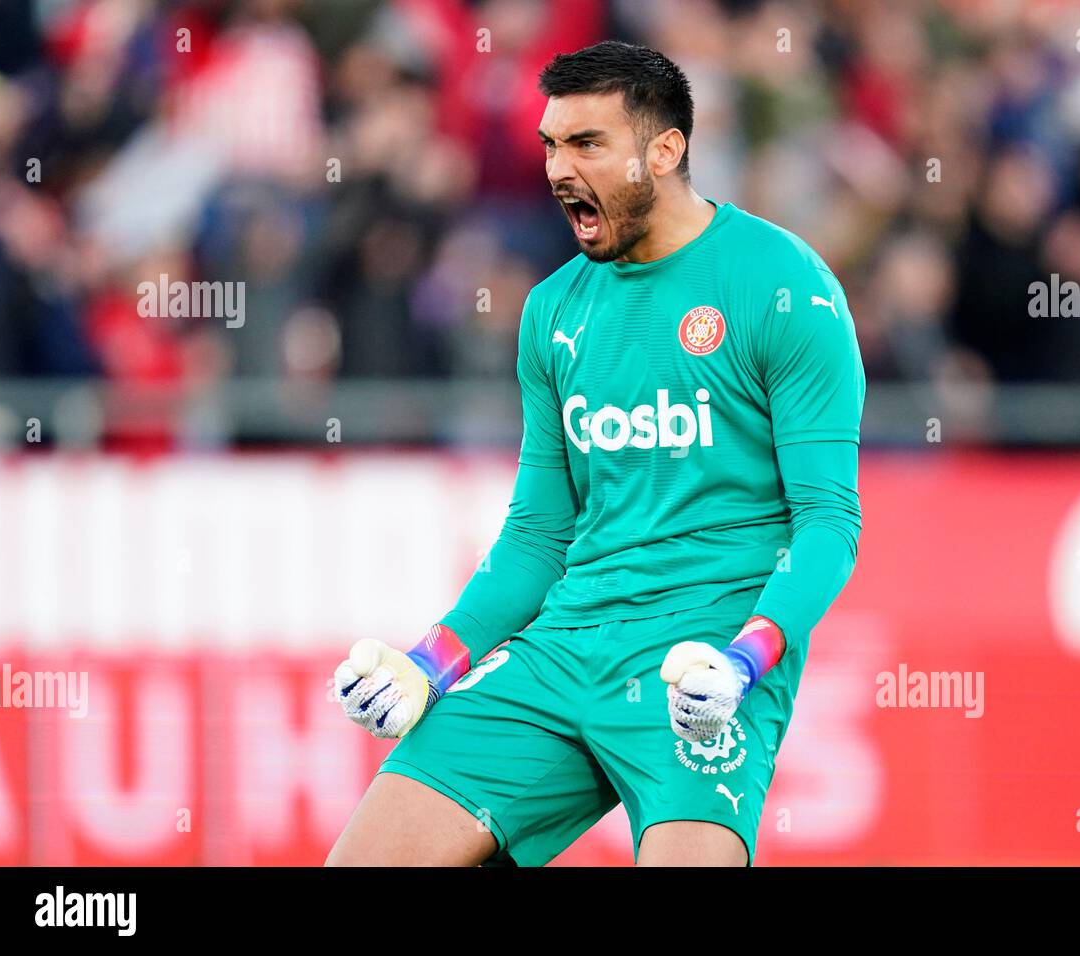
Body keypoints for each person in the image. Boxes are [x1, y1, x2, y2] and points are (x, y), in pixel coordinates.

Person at [327, 40, 865, 867]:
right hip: (564, 648)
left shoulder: (783, 286)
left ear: (665, 151)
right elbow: (540, 536)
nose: (556, 168)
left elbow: (827, 521)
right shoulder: (553, 313)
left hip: (703, 665)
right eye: (550, 144)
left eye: (585, 145)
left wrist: (747, 659)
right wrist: (428, 663)